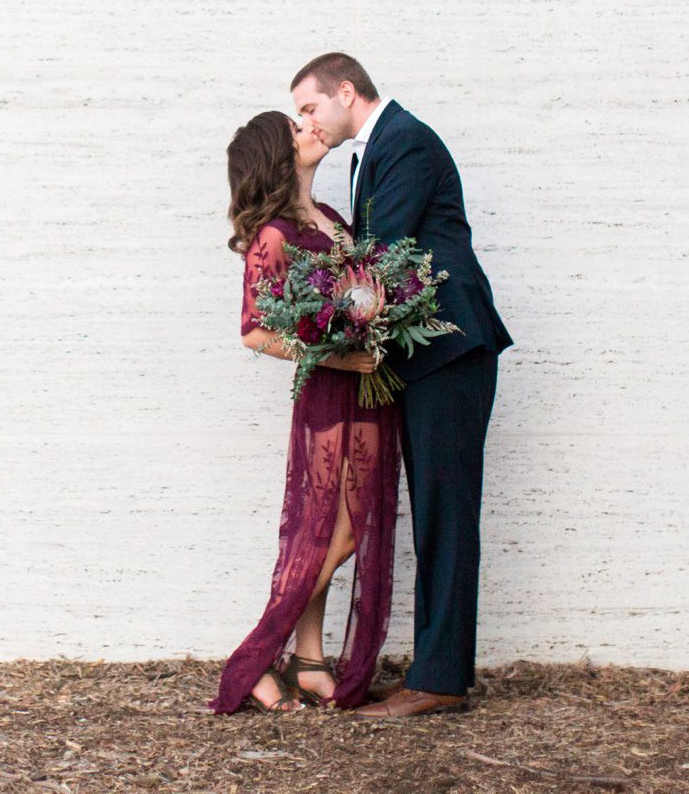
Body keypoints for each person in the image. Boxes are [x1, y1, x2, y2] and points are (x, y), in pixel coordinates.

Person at [289, 51, 514, 718]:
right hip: (427, 360)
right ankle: (434, 669)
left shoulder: (406, 141)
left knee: (446, 513)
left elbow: (379, 260)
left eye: (308, 107)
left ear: (346, 91)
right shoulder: (378, 147)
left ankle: (440, 682)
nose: (304, 120)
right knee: (435, 513)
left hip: (450, 350)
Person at [209, 111, 400, 714]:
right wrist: (338, 358)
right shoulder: (274, 235)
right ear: (276, 155)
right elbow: (255, 332)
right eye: (294, 129)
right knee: (334, 532)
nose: (309, 130)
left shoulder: (333, 221)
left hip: (368, 388)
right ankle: (256, 658)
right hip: (329, 390)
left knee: (337, 528)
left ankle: (309, 659)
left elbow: (362, 293)